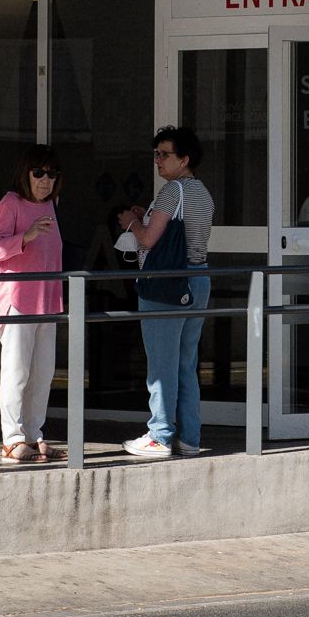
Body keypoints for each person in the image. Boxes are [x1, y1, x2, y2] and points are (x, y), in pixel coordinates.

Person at [117, 125, 213, 459]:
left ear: (184, 158)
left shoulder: (172, 191)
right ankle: (190, 437)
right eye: (156, 154)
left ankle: (159, 434)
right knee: (186, 363)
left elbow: (147, 240)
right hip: (198, 278)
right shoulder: (202, 192)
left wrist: (131, 221)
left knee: (161, 364)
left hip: (166, 282)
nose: (158, 160)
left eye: (165, 154)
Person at [0, 147, 65, 462]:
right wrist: (26, 236)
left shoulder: (51, 205)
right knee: (16, 372)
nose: (45, 180)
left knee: (42, 373)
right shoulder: (11, 203)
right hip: (17, 302)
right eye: (39, 173)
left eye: (52, 173)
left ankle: (33, 436)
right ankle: (13, 438)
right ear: (26, 174)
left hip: (48, 302)